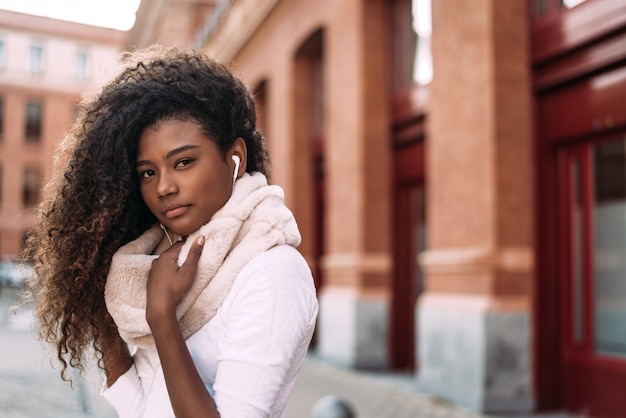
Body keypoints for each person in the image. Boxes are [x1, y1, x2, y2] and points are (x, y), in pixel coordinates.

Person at [23, 45, 318, 417]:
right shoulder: (157, 262)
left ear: (235, 158)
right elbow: (144, 409)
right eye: (148, 172)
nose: (163, 187)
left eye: (183, 162)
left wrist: (161, 316)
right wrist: (102, 300)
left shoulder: (272, 273)